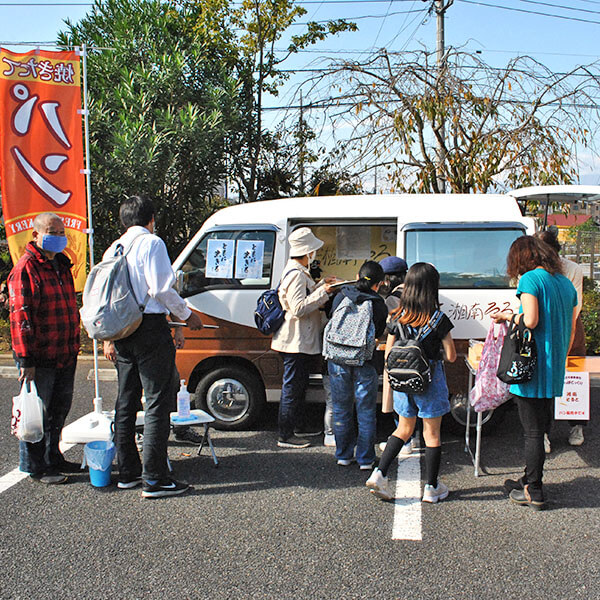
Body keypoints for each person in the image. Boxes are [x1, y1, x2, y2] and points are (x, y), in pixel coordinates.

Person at [104, 196, 203, 498]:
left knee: (126, 401)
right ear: (151, 219)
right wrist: (187, 315)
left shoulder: (115, 247)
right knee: (158, 402)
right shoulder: (151, 243)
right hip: (149, 328)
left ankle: (128, 473)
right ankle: (155, 479)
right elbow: (161, 287)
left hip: (123, 328)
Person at [493, 236, 577, 511]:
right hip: (554, 366)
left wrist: (508, 317)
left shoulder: (530, 280)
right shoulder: (564, 283)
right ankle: (527, 479)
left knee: (532, 432)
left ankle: (534, 490)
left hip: (531, 367)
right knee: (541, 427)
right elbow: (569, 323)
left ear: (522, 259)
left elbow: (530, 320)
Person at [366, 262, 456, 503]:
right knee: (432, 434)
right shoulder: (438, 319)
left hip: (402, 380)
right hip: (431, 379)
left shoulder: (398, 316)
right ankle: (432, 487)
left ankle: (379, 474)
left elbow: (388, 353)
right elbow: (451, 356)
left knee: (403, 429)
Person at [8, 213, 81, 484]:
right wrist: (26, 359)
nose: (58, 237)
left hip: (65, 351)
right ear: (36, 235)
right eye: (52, 231)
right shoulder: (25, 269)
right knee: (35, 413)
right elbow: (21, 316)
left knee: (58, 410)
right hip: (39, 356)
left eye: (61, 232)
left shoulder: (61, 265)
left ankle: (54, 457)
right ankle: (35, 466)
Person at [271, 227, 335, 448]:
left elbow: (304, 298)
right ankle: (285, 435)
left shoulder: (298, 271)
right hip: (294, 342)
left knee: (298, 387)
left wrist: (321, 286)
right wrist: (323, 292)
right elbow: (298, 308)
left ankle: (297, 426)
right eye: (313, 250)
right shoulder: (297, 274)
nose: (314, 254)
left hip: (298, 340)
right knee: (292, 388)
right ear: (307, 252)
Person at [326, 261, 388, 469]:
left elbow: (330, 317)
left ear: (357, 275)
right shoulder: (378, 303)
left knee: (342, 408)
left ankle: (343, 455)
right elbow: (378, 332)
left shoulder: (341, 295)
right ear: (379, 284)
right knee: (366, 410)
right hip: (365, 360)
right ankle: (366, 459)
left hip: (337, 358)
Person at [535, 229, 587, 448]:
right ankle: (544, 433)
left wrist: (567, 338)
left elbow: (576, 307)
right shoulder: (532, 271)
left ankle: (577, 425)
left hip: (570, 327)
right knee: (544, 383)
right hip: (543, 331)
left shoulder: (572, 269)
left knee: (575, 381)